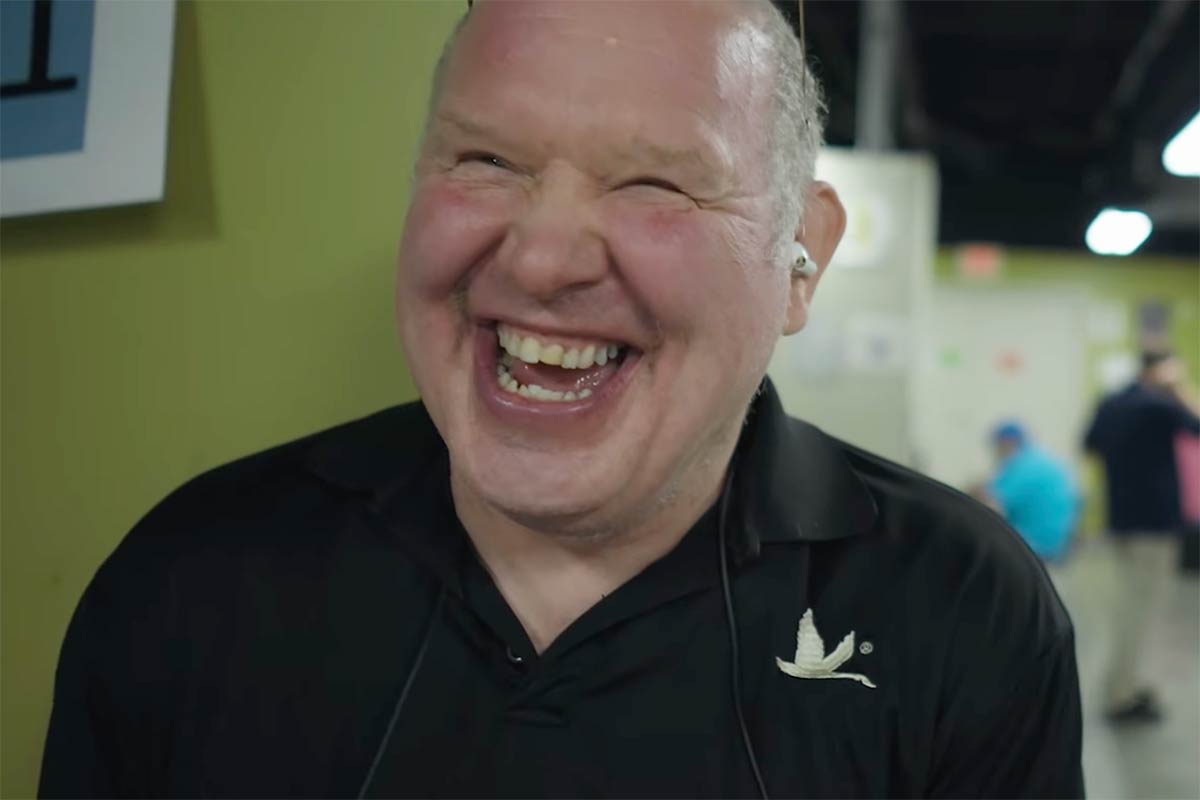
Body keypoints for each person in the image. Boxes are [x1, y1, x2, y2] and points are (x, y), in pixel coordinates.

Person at [39, 2, 1083, 796]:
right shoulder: (196, 578)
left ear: (800, 255)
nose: (541, 258)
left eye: (655, 184)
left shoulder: (963, 609)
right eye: (487, 160)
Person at [1084, 348, 1200, 724]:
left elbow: (1090, 445)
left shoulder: (1111, 402)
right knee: (1142, 611)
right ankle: (1122, 694)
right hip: (1155, 522)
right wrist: (1179, 389)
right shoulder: (1160, 405)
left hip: (1122, 517)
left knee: (1130, 605)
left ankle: (1126, 683)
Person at [986, 421, 1079, 563]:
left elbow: (993, 506)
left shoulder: (1019, 466)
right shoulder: (1045, 461)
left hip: (1033, 544)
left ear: (1006, 443)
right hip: (1059, 542)